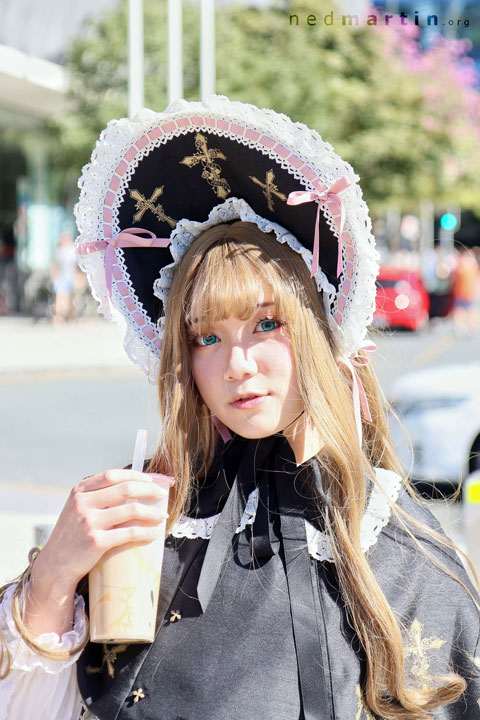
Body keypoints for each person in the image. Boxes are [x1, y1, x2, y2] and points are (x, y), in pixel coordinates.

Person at [1, 96, 479, 720]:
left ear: (318, 329)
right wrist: (53, 580)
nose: (237, 365)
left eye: (266, 323)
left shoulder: (400, 542)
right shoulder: (146, 527)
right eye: (207, 337)